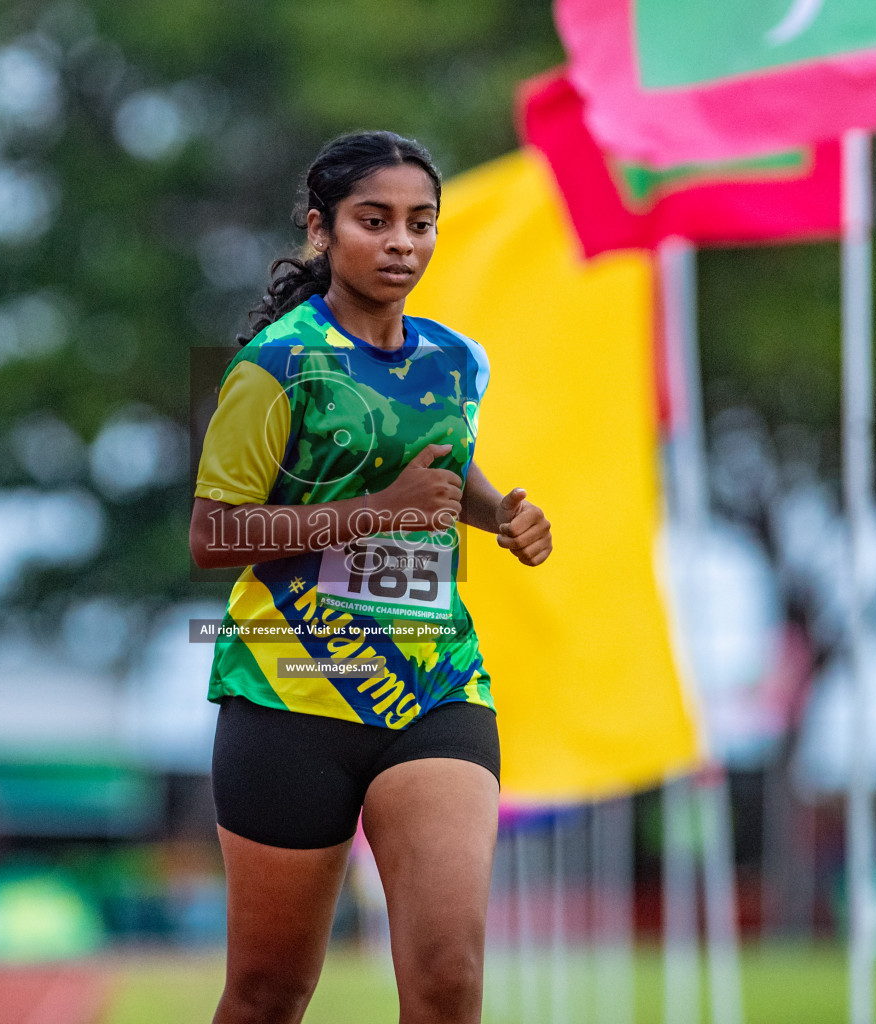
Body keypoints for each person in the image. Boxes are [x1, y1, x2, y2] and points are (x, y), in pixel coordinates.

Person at [189, 130, 552, 1024]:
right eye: (375, 221)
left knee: (449, 978)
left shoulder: (455, 361)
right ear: (321, 231)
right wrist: (378, 510)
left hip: (434, 683)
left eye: (421, 224)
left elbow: (438, 468)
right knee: (271, 992)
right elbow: (212, 535)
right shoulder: (276, 366)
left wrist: (499, 512)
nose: (402, 243)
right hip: (290, 687)